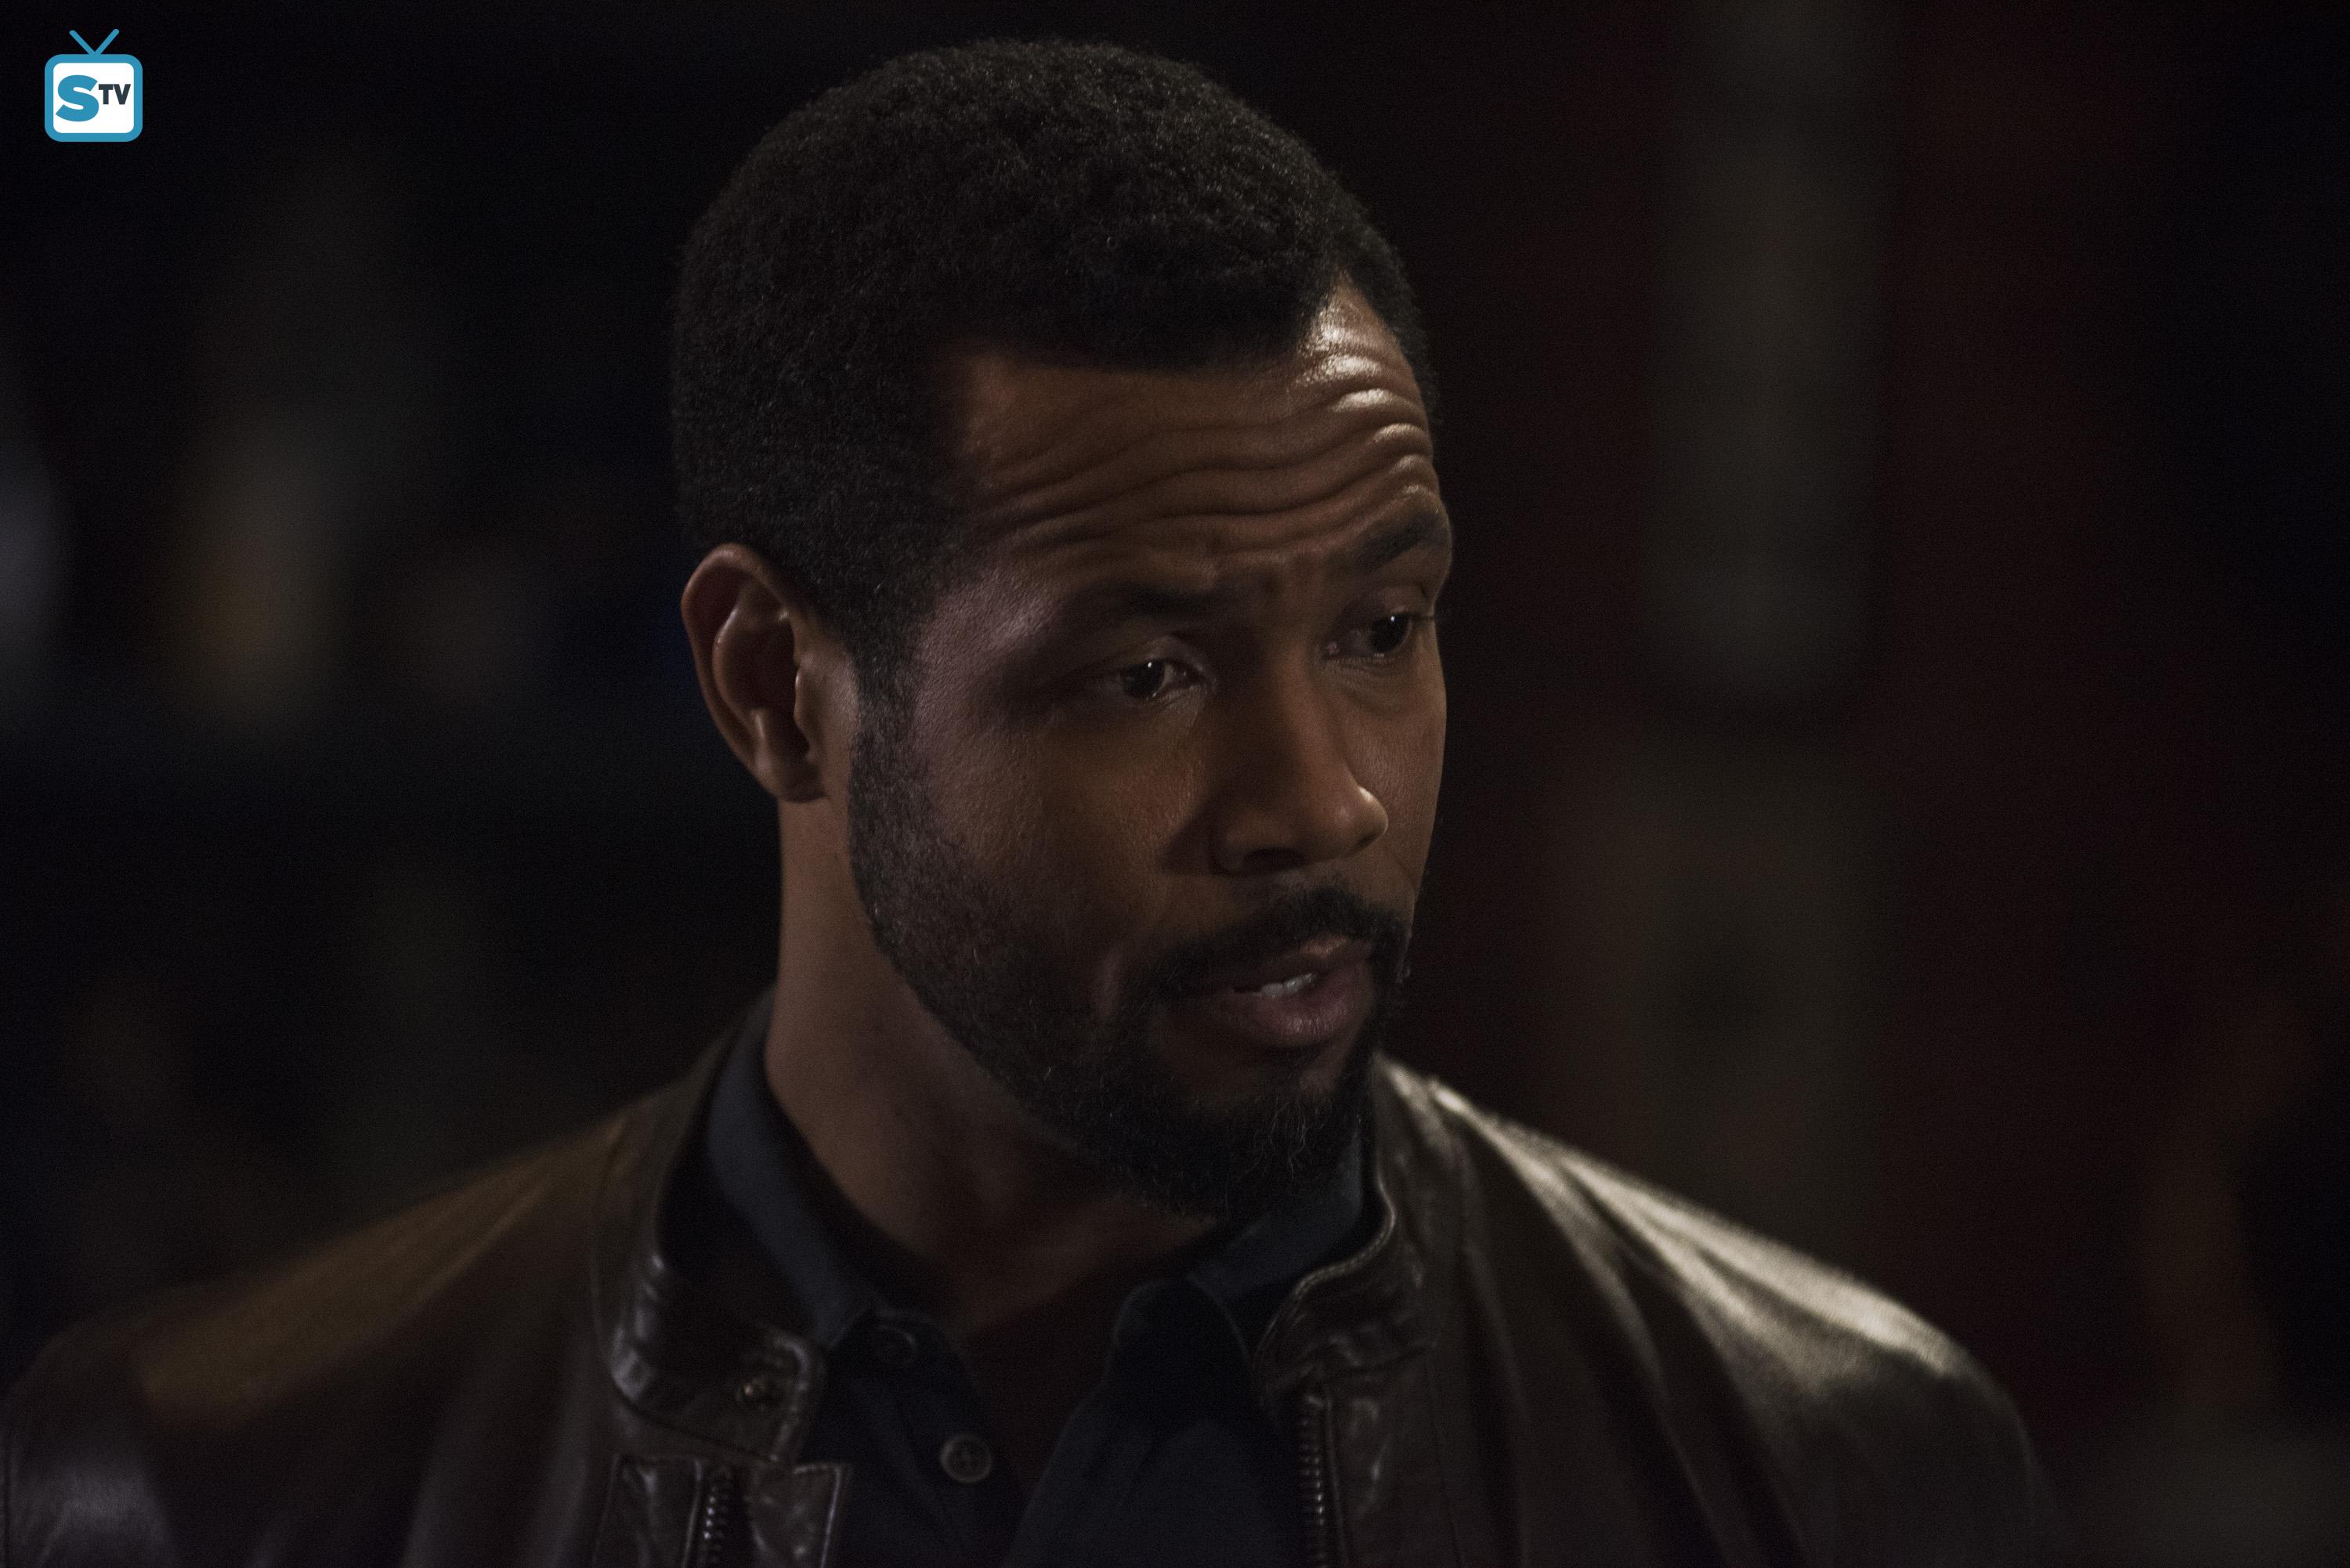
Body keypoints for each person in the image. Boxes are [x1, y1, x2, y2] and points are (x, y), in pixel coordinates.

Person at [0, 38, 2064, 1567]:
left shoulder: (1821, 1473)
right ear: (772, 686)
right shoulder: (231, 1484)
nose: (1321, 800)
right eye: (1145, 671)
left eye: (1382, 628)